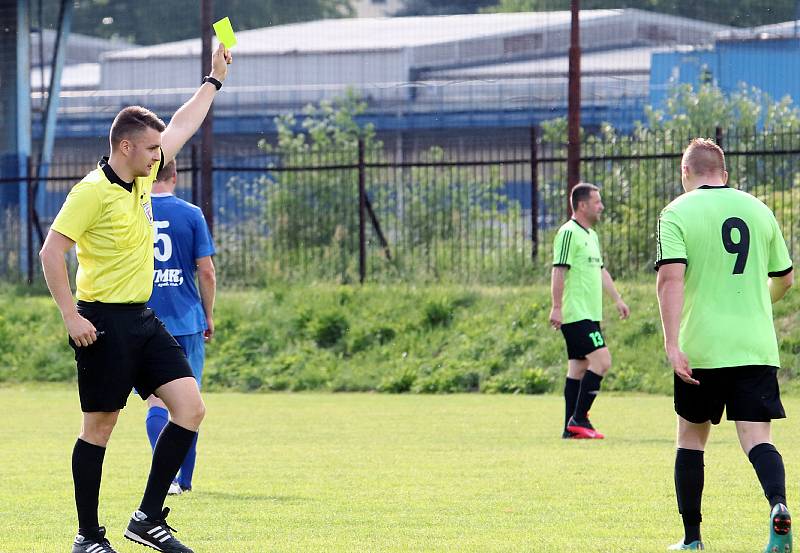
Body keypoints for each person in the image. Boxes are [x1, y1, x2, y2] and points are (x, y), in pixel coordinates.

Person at [39, 44, 231, 553]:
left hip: (143, 320)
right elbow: (51, 252)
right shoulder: (89, 193)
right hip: (101, 322)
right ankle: (88, 535)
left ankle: (147, 518)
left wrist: (213, 80)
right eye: (150, 150)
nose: (159, 156)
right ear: (125, 148)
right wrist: (70, 314)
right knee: (99, 428)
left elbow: (183, 126)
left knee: (189, 407)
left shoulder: (141, 176)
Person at [656, 138, 794, 552]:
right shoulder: (758, 208)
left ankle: (693, 539)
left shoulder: (676, 212)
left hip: (702, 348)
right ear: (725, 174)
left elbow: (670, 278)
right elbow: (785, 278)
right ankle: (778, 505)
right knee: (758, 439)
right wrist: (755, 303)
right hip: (754, 345)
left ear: (685, 174)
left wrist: (671, 342)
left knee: (691, 439)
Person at [145, 159, 216, 496]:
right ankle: (182, 479)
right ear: (174, 176)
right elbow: (207, 271)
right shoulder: (191, 214)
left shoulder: (135, 210)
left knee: (157, 403)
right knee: (188, 403)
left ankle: (170, 479)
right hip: (186, 320)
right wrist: (209, 314)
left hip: (142, 320)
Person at [549, 182, 630, 440]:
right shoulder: (568, 233)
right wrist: (557, 307)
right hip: (576, 314)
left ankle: (569, 428)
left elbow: (600, 270)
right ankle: (580, 418)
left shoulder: (591, 235)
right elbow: (558, 269)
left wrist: (617, 298)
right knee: (602, 361)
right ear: (582, 205)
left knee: (579, 367)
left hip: (590, 313)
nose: (601, 206)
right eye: (597, 202)